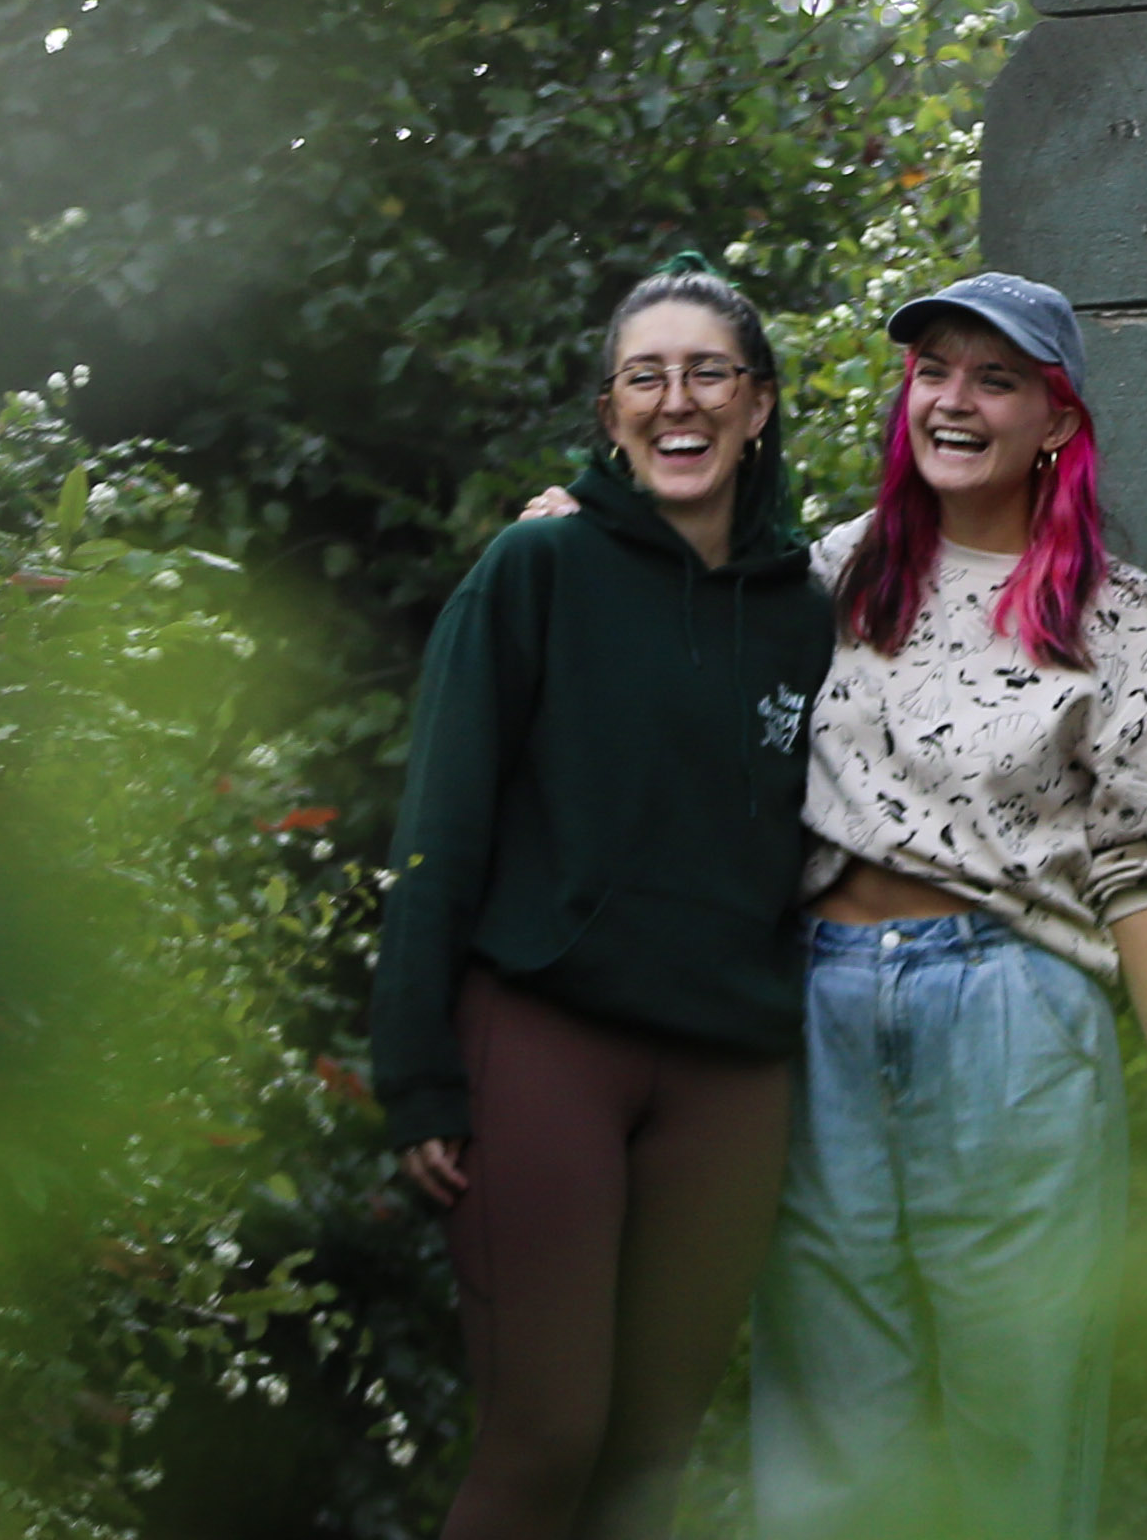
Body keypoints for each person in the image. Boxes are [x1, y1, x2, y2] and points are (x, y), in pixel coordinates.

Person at [756, 271, 1147, 1540]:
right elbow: (671, 638)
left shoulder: (1119, 619)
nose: (954, 400)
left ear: (1057, 421)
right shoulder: (835, 575)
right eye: (934, 372)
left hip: (1013, 1008)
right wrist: (571, 525)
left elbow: (1141, 868)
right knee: (826, 1404)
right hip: (819, 997)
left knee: (1015, 1400)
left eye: (996, 378)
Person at [372, 265, 837, 1540]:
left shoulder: (811, 617)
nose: (676, 402)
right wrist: (415, 1071)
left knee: (647, 1465)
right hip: (543, 1039)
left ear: (759, 407)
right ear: (610, 409)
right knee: (547, 1436)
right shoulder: (538, 567)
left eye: (708, 375)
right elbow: (441, 827)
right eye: (647, 376)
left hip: (729, 1076)